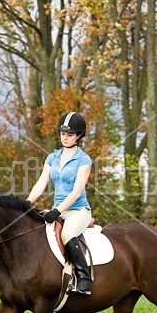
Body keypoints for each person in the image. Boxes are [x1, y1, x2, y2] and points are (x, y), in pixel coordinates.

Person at [27, 111, 92, 295]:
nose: (65, 137)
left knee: (68, 233)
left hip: (78, 210)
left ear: (78, 136)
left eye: (70, 134)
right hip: (57, 210)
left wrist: (57, 210)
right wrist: (27, 203)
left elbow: (77, 189)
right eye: (63, 134)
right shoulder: (52, 158)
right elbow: (41, 183)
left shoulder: (83, 159)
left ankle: (84, 280)